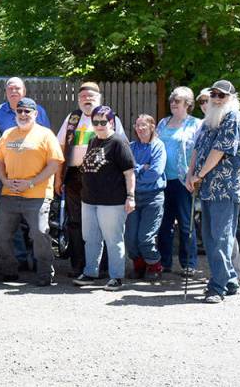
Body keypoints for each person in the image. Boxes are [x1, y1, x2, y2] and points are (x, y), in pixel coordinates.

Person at [187, 80, 240, 304]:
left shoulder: (233, 117)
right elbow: (198, 148)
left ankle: (217, 286)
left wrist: (199, 175)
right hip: (207, 188)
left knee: (219, 238)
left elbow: (219, 151)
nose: (216, 98)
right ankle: (230, 280)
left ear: (231, 98)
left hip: (225, 189)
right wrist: (189, 174)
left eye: (221, 95)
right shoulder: (208, 120)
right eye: (213, 94)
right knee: (213, 237)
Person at [55, 81, 126, 276]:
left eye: (91, 96)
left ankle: (103, 267)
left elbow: (121, 148)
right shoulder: (72, 118)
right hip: (74, 177)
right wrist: (58, 178)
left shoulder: (110, 118)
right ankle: (79, 265)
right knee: (75, 222)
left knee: (102, 223)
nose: (87, 100)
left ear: (99, 99)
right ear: (78, 100)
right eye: (83, 97)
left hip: (102, 177)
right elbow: (60, 148)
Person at [0, 97, 63, 287]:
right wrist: (4, 180)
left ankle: (45, 273)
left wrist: (31, 183)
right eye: (19, 111)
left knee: (40, 233)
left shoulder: (46, 135)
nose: (23, 115)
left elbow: (54, 164)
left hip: (37, 195)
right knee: (1, 233)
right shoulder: (7, 134)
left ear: (35, 114)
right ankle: (9, 270)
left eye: (27, 111)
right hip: (10, 193)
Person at [72, 105, 135, 291]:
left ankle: (116, 277)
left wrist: (130, 196)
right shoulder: (93, 140)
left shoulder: (118, 142)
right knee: (90, 238)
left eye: (103, 122)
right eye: (96, 122)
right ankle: (90, 272)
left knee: (113, 239)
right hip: (89, 199)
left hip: (112, 201)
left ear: (111, 122)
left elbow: (129, 173)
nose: (99, 125)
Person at [157, 86, 202, 276]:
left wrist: (195, 176)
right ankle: (164, 262)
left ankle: (189, 263)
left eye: (178, 100)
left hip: (184, 181)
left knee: (185, 223)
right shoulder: (163, 122)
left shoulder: (196, 124)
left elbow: (200, 151)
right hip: (162, 180)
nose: (173, 103)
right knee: (163, 223)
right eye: (172, 100)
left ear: (188, 104)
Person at [127, 114, 167, 282]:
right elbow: (124, 169)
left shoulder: (158, 146)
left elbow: (155, 173)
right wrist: (141, 167)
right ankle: (139, 264)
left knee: (146, 237)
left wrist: (134, 173)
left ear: (152, 127)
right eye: (137, 125)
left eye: (144, 125)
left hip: (153, 197)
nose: (140, 128)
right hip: (133, 196)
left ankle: (154, 264)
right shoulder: (131, 147)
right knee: (130, 238)